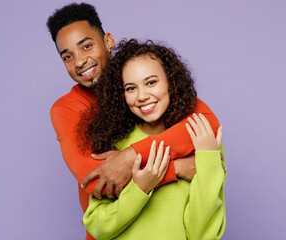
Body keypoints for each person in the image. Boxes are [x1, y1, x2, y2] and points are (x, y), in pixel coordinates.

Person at [47, 3, 221, 239]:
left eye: (86, 46)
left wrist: (130, 156)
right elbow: (96, 181)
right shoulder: (68, 109)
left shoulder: (146, 95)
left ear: (108, 41)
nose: (79, 62)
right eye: (67, 56)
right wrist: (176, 168)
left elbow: (208, 124)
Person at [81, 39, 226, 240]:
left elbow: (203, 235)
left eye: (151, 82)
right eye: (131, 88)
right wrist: (141, 188)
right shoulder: (113, 144)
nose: (142, 96)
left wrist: (208, 161)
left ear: (170, 82)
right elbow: (98, 226)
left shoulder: (201, 142)